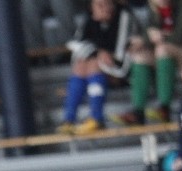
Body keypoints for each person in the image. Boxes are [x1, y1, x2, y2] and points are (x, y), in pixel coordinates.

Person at [113, 0, 182, 125]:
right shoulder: (155, 8)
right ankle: (138, 112)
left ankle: (164, 108)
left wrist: (156, 37)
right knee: (140, 56)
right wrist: (143, 40)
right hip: (175, 52)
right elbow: (150, 31)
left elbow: (180, 36)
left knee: (162, 50)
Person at [57, 0, 140, 134]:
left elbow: (120, 53)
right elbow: (77, 44)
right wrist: (98, 50)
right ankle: (69, 120)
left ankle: (96, 118)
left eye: (107, 4)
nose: (105, 8)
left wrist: (99, 52)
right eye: (99, 5)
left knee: (93, 65)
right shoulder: (89, 18)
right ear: (92, 7)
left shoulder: (124, 15)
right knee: (80, 65)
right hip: (100, 69)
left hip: (124, 69)